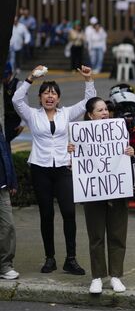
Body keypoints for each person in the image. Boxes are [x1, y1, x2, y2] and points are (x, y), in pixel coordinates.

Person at [12, 65, 96, 275]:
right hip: (40, 169)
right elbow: (16, 100)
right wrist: (30, 78)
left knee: (69, 213)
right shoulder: (32, 115)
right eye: (46, 94)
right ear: (40, 98)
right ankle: (49, 258)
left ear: (58, 98)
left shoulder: (66, 113)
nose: (50, 97)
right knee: (46, 214)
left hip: (63, 169)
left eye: (54, 94)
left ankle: (71, 259)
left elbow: (88, 103)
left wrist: (88, 80)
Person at [70, 97, 135, 294]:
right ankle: (97, 277)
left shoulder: (118, 131)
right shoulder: (80, 136)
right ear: (90, 115)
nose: (105, 113)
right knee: (96, 236)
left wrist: (130, 152)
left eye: (106, 109)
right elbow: (76, 164)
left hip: (117, 191)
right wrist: (71, 153)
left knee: (117, 234)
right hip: (94, 192)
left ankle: (115, 276)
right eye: (100, 110)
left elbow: (126, 157)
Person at [0, 125, 19, 280]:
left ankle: (5, 265)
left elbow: (5, 153)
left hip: (2, 186)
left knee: (8, 226)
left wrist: (11, 179)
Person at [2, 63, 25, 143]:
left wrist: (22, 124)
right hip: (4, 118)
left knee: (4, 140)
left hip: (15, 121)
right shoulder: (2, 84)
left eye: (5, 77)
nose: (3, 79)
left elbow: (24, 105)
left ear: (10, 74)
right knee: (3, 142)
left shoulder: (18, 84)